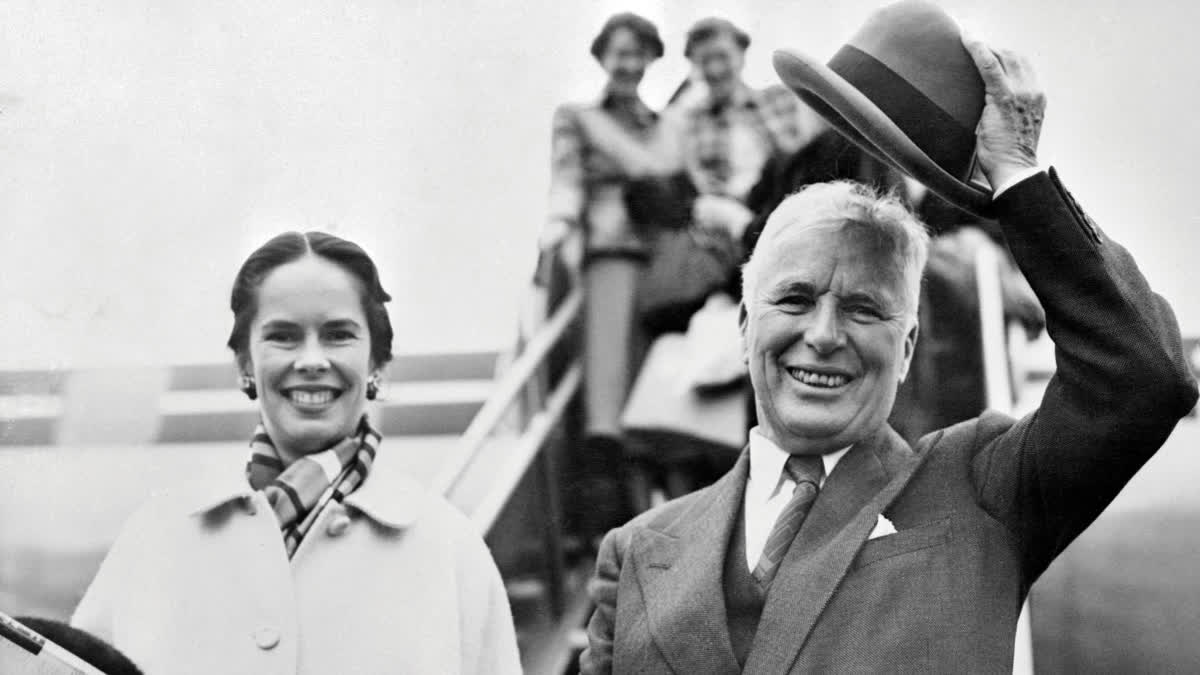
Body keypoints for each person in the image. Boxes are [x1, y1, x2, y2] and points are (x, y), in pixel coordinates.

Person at [579, 28, 1198, 675]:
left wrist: (1016, 172)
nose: (823, 333)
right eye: (793, 298)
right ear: (743, 325)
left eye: (863, 308)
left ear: (906, 347)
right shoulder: (636, 552)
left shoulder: (984, 488)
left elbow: (1145, 379)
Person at [72, 232, 521, 674]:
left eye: (338, 335)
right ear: (246, 364)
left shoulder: (451, 552)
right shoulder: (157, 538)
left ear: (377, 363)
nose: (310, 360)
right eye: (283, 336)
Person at [538, 12, 673, 540]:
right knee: (608, 399)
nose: (628, 63)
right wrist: (558, 222)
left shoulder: (667, 125)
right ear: (601, 57)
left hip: (666, 266)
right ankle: (609, 526)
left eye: (638, 53)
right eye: (619, 52)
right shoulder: (578, 117)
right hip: (611, 255)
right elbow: (567, 178)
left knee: (661, 393)